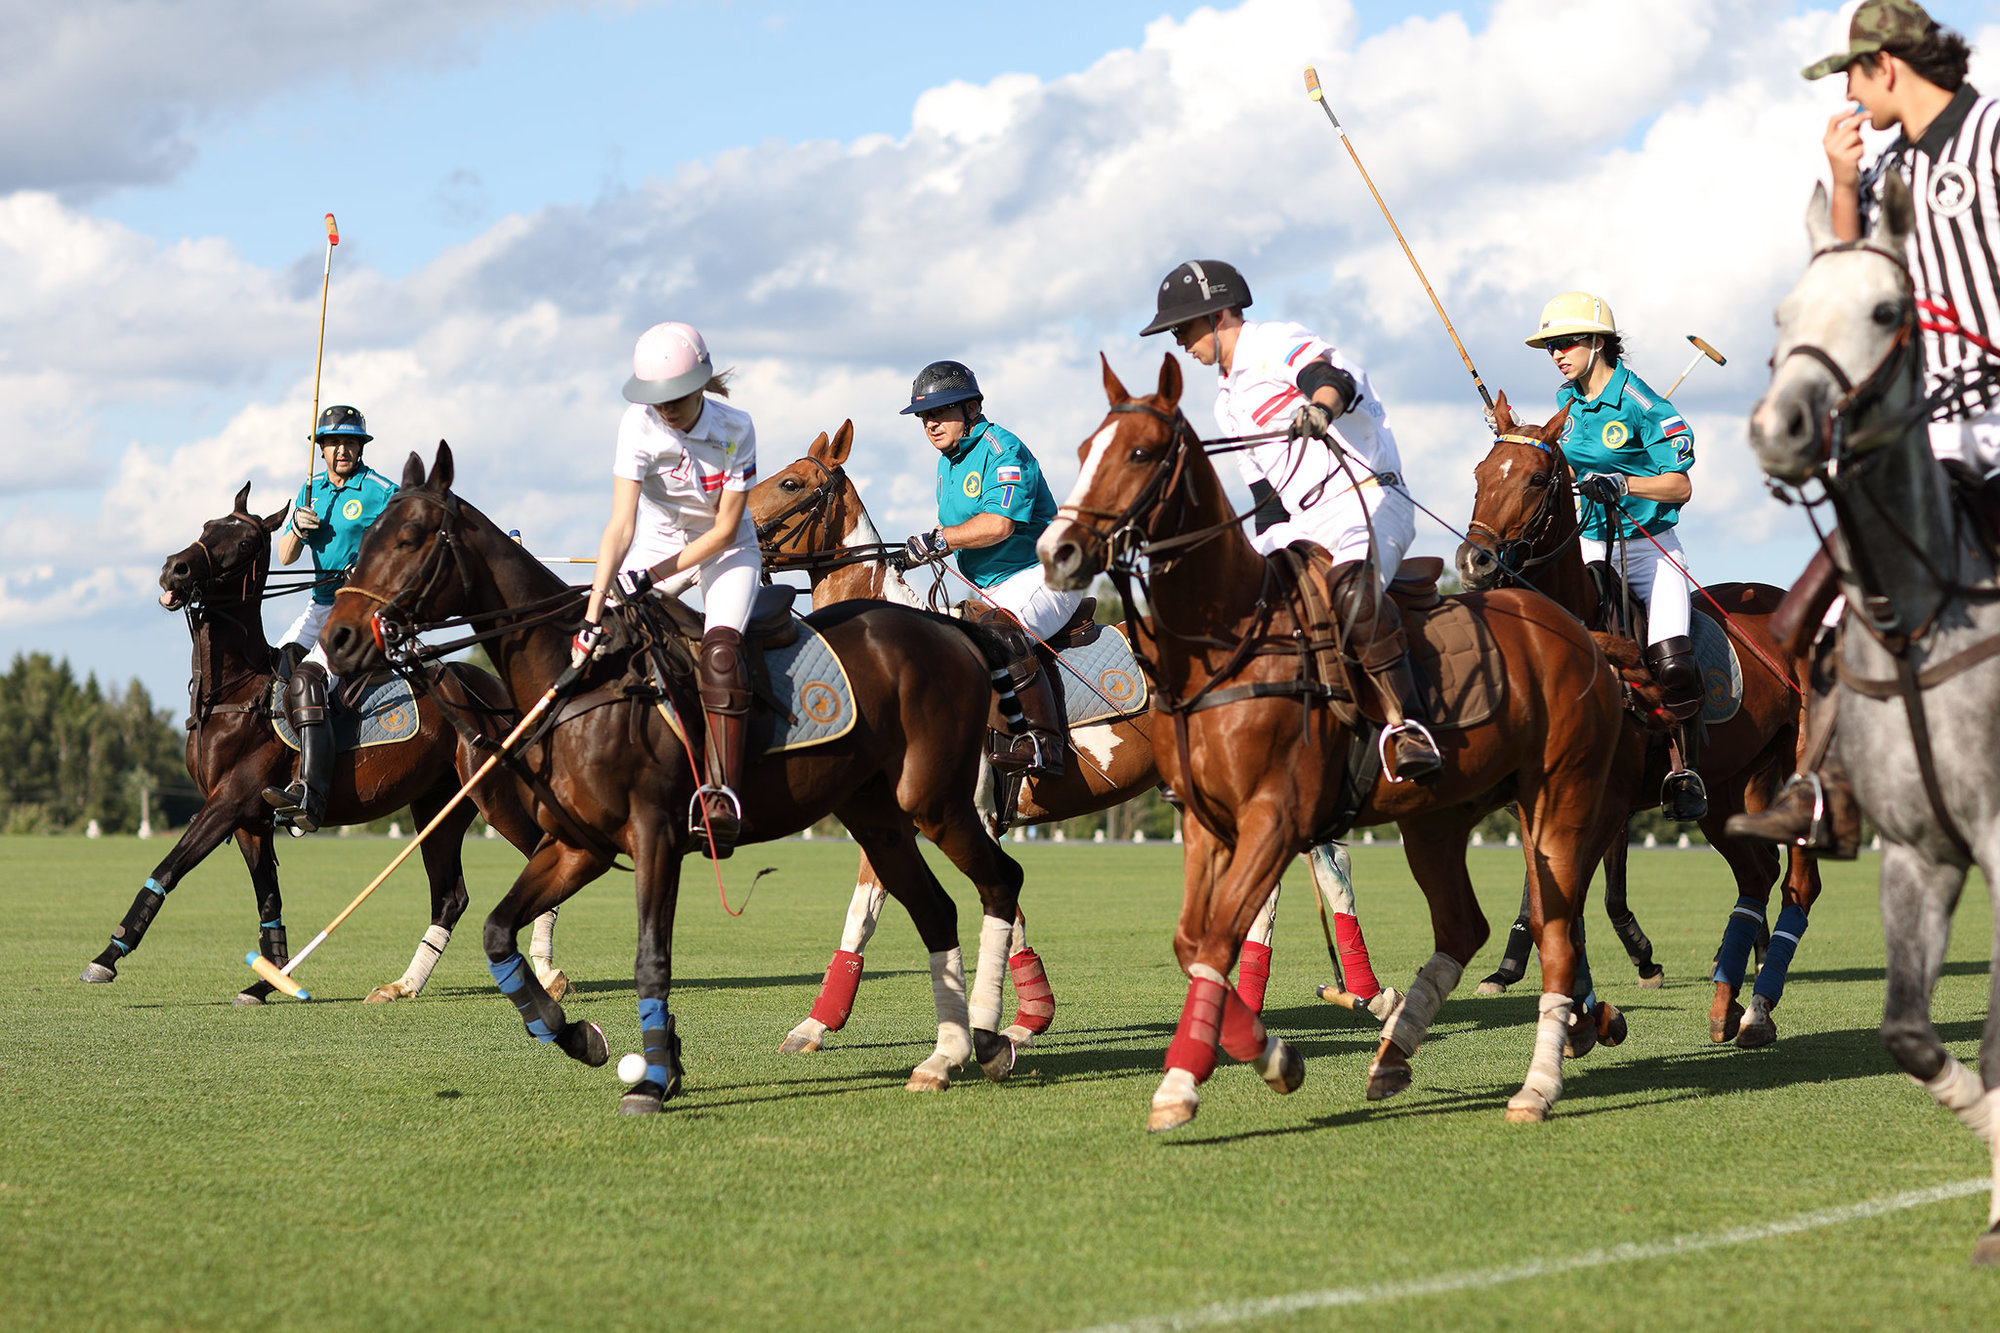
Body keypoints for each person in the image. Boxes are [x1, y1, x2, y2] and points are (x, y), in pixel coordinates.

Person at [1734, 0, 1984, 853]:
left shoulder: (1990, 136)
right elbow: (1845, 279)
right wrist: (1842, 184)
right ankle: (1823, 788)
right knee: (1850, 612)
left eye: (1849, 71)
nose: (1844, 90)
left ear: (1888, 65)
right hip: (1919, 422)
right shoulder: (1880, 169)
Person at [1137, 258, 1440, 781]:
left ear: (1220, 313)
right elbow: (1266, 500)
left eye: (1183, 327)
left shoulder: (1271, 341)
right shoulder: (1224, 402)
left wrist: (1321, 408)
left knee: (1349, 590)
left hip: (1367, 496)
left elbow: (1330, 377)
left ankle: (1407, 725)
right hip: (1303, 522)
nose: (1180, 343)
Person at [577, 322, 761, 857]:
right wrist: (595, 609)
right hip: (655, 542)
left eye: (675, 398)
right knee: (609, 641)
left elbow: (725, 528)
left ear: (701, 384)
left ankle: (721, 794)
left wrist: (654, 578)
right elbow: (619, 526)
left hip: (727, 549)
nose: (665, 409)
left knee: (721, 651)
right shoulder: (637, 426)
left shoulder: (736, 427)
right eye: (656, 398)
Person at [1525, 292, 1706, 821]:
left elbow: (1681, 486)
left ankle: (1682, 769)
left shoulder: (1645, 406)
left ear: (1599, 342)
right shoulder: (1566, 404)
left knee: (1672, 658)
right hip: (1588, 543)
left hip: (1649, 548)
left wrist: (1625, 482)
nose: (1558, 353)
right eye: (1551, 346)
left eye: (1567, 343)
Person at [899, 359, 1079, 777]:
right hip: (992, 587)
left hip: (1044, 573)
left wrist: (939, 540)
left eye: (941, 412)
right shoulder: (947, 463)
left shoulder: (1003, 449)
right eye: (925, 416)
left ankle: (1043, 744)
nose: (931, 424)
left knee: (999, 633)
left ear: (972, 410)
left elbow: (998, 524)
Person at [262, 404, 398, 833]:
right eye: (334, 442)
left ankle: (312, 794)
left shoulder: (379, 489)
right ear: (320, 449)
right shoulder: (309, 489)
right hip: (319, 606)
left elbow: (420, 524)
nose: (343, 450)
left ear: (360, 447)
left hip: (357, 609)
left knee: (309, 681)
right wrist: (297, 529)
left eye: (351, 442)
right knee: (278, 673)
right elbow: (284, 556)